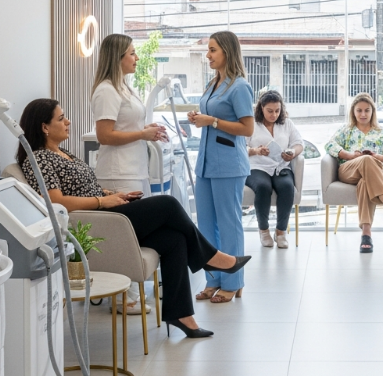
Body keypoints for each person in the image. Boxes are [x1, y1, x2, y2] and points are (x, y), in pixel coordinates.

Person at [17, 99, 251, 338]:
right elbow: (56, 202)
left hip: (105, 213)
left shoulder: (63, 153)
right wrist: (102, 201)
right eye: (61, 118)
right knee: (168, 204)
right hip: (94, 224)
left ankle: (180, 314)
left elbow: (83, 189)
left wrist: (112, 195)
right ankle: (211, 257)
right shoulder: (40, 159)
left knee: (174, 239)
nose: (68, 121)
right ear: (44, 127)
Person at [90, 33, 168, 315]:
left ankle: (133, 294)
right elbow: (105, 135)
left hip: (134, 169)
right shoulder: (107, 91)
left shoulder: (124, 87)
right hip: (118, 173)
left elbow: (129, 126)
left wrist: (149, 131)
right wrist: (142, 133)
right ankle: (126, 298)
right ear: (117, 57)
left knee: (138, 232)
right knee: (128, 234)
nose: (136, 58)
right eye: (132, 53)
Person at [188, 31, 254, 303]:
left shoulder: (239, 87)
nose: (208, 55)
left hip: (228, 165)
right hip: (205, 164)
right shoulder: (213, 83)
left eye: (213, 50)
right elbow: (210, 118)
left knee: (228, 224)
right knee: (205, 225)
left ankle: (234, 281)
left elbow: (247, 128)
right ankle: (212, 278)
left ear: (227, 51)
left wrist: (212, 121)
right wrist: (199, 118)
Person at [325, 93, 383, 253]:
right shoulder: (346, 131)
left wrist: (378, 157)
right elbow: (329, 146)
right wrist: (349, 155)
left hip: (380, 172)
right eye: (359, 110)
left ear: (372, 112)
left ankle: (366, 235)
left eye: (367, 110)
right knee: (365, 160)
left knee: (366, 178)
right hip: (350, 170)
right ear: (353, 112)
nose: (363, 114)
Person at [245, 90, 303, 248]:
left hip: (280, 165)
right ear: (261, 108)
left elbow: (299, 143)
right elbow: (240, 147)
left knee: (286, 187)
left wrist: (291, 153)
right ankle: (264, 230)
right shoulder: (252, 124)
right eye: (270, 111)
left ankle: (281, 232)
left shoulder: (287, 124)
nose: (274, 114)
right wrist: (256, 150)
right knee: (263, 187)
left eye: (277, 111)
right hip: (257, 166)